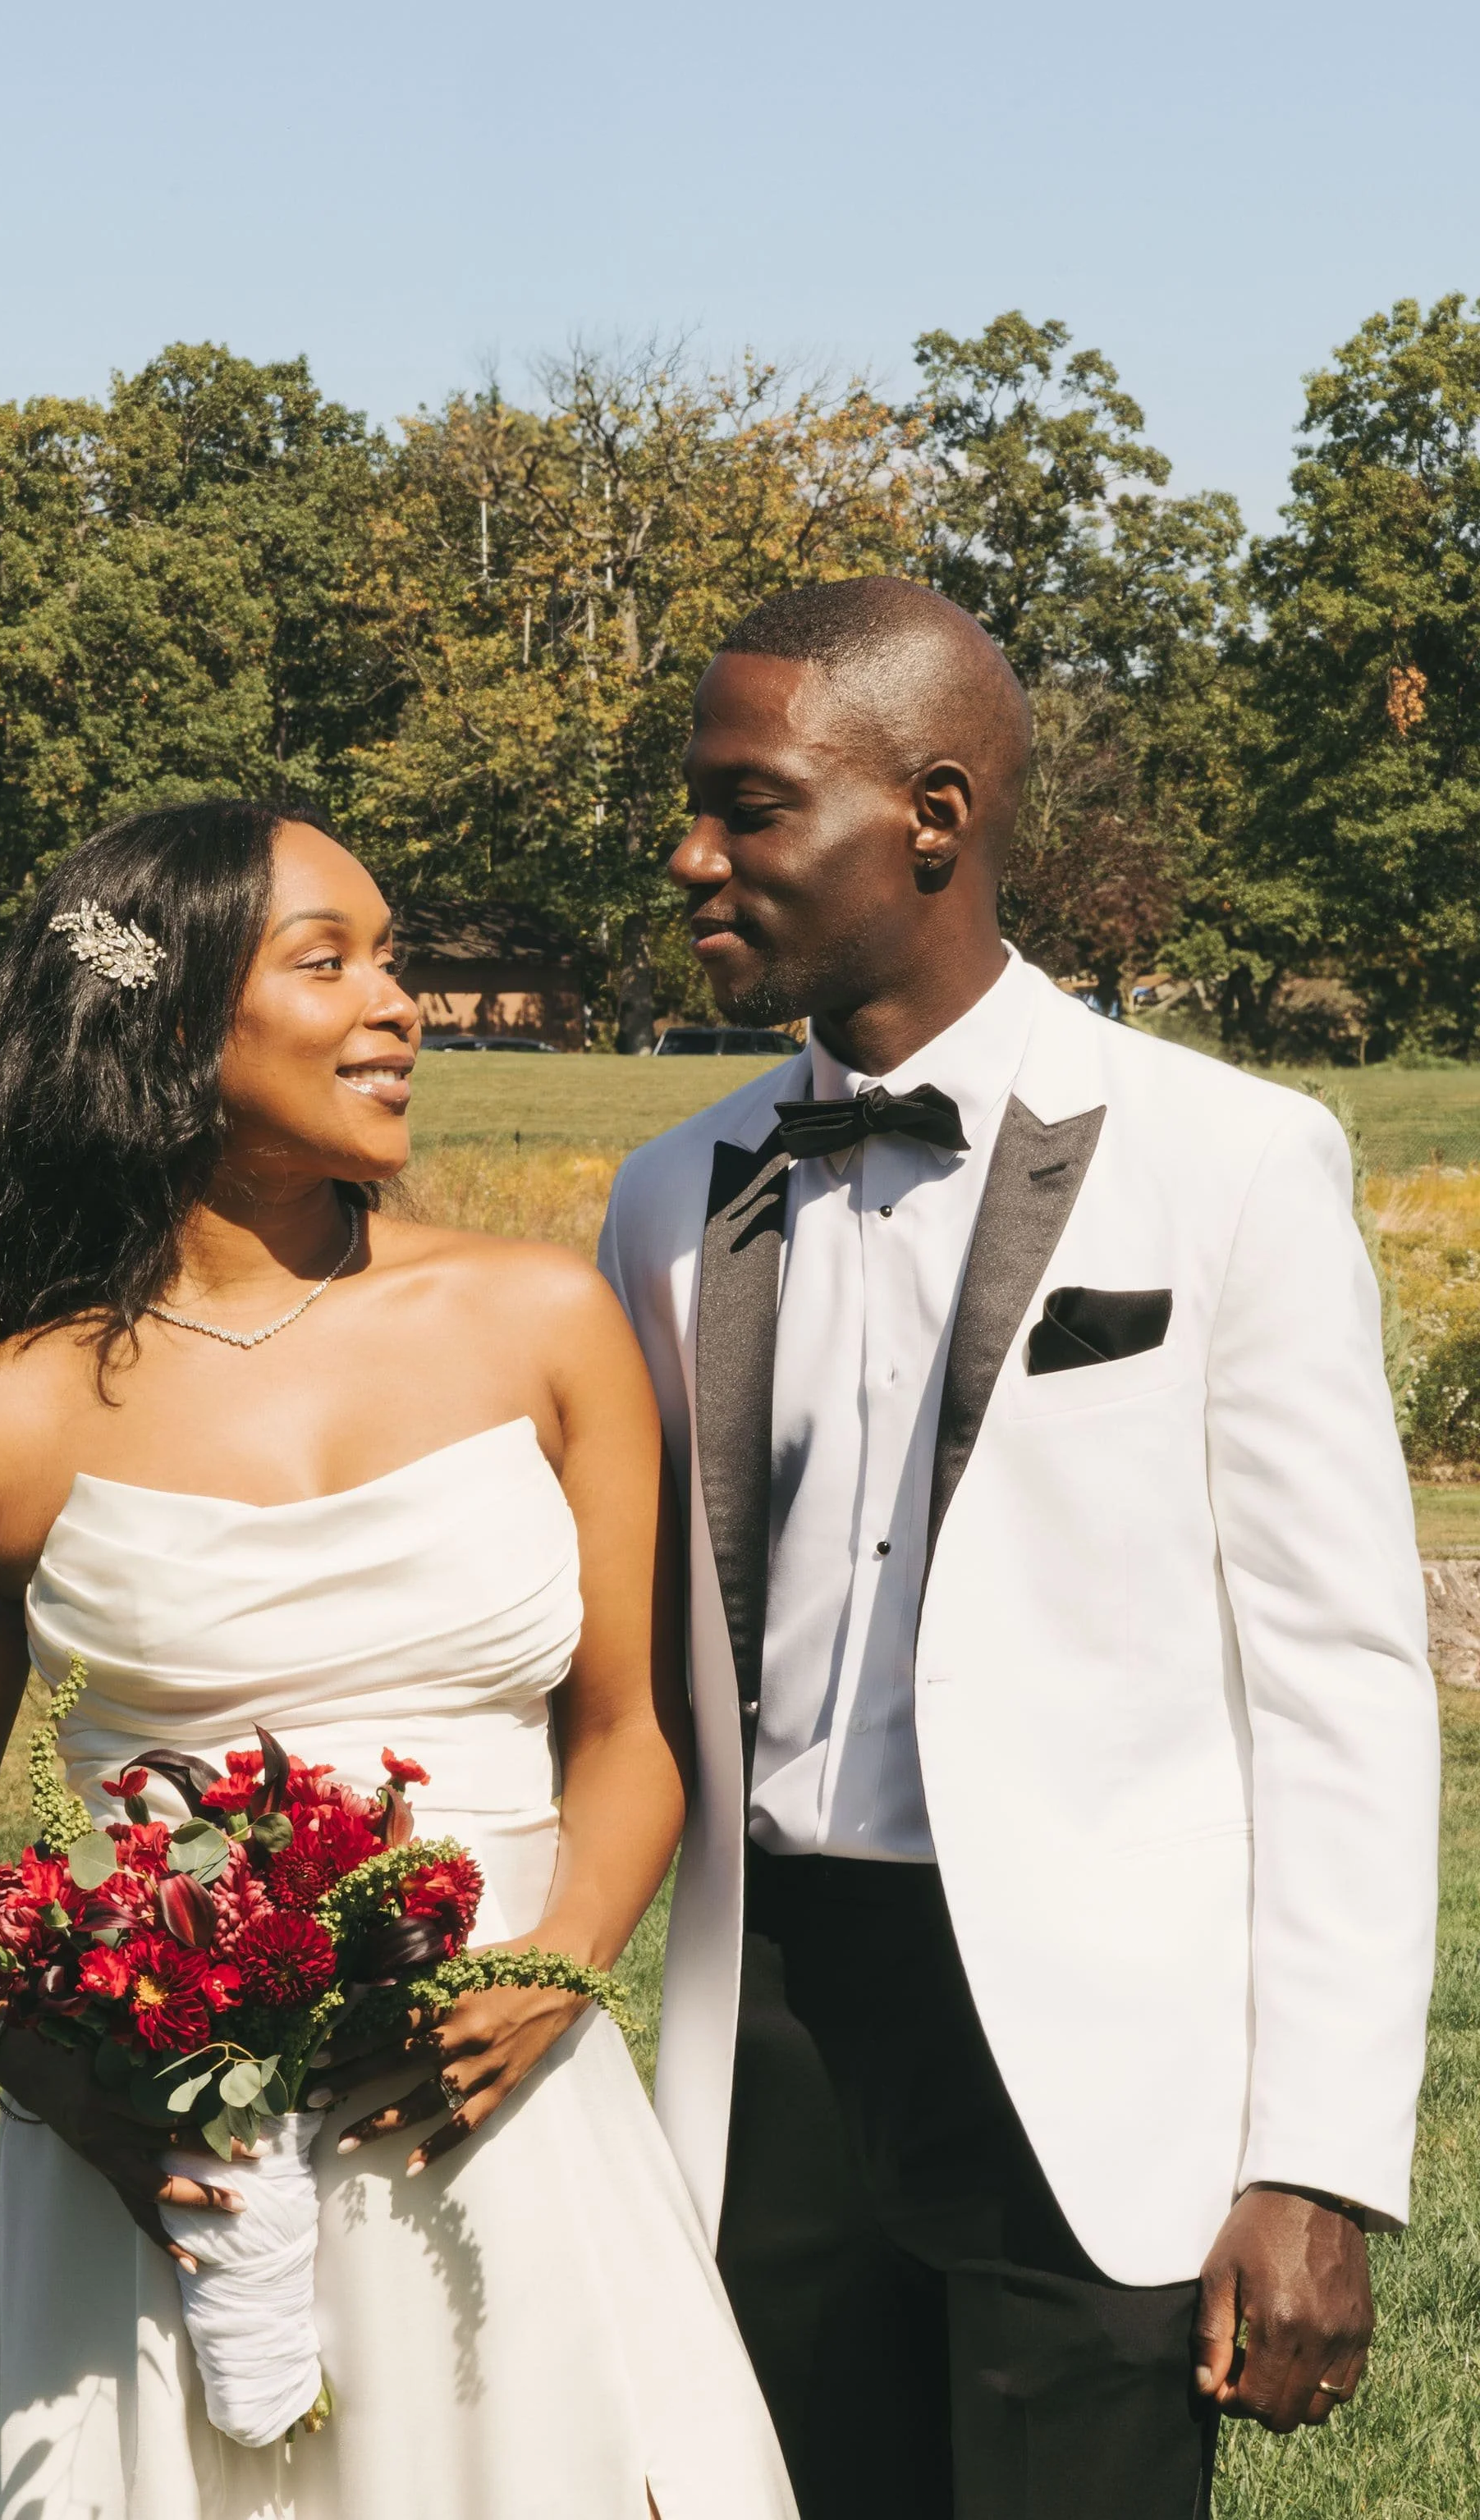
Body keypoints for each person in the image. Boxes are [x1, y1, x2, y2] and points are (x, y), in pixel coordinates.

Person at [598, 579, 1441, 2520]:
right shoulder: (666, 1197)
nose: (690, 850)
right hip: (772, 2034)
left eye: (748, 803)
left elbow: (1340, 1688)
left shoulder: (1230, 1159)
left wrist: (1310, 2157)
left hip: (1090, 2061)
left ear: (935, 815)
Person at [0, 800, 797, 2520]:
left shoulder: (541, 1324)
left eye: (397, 957)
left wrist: (558, 1967)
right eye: (330, 961)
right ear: (173, 1024)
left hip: (503, 2115)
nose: (400, 1002)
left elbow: (631, 1734)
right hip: (169, 2167)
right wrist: (85, 2094)